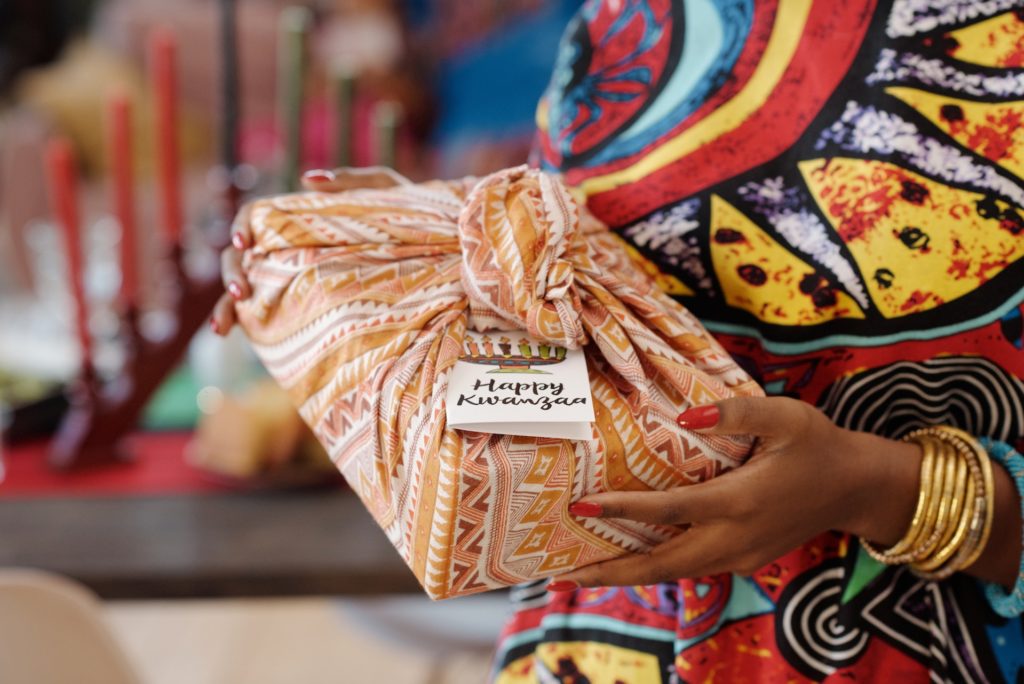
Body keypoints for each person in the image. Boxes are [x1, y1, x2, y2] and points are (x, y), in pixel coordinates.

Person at [215, 1, 1024, 680]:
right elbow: (572, 335)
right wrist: (383, 253)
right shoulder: (626, 20)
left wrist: (877, 488)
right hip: (588, 648)